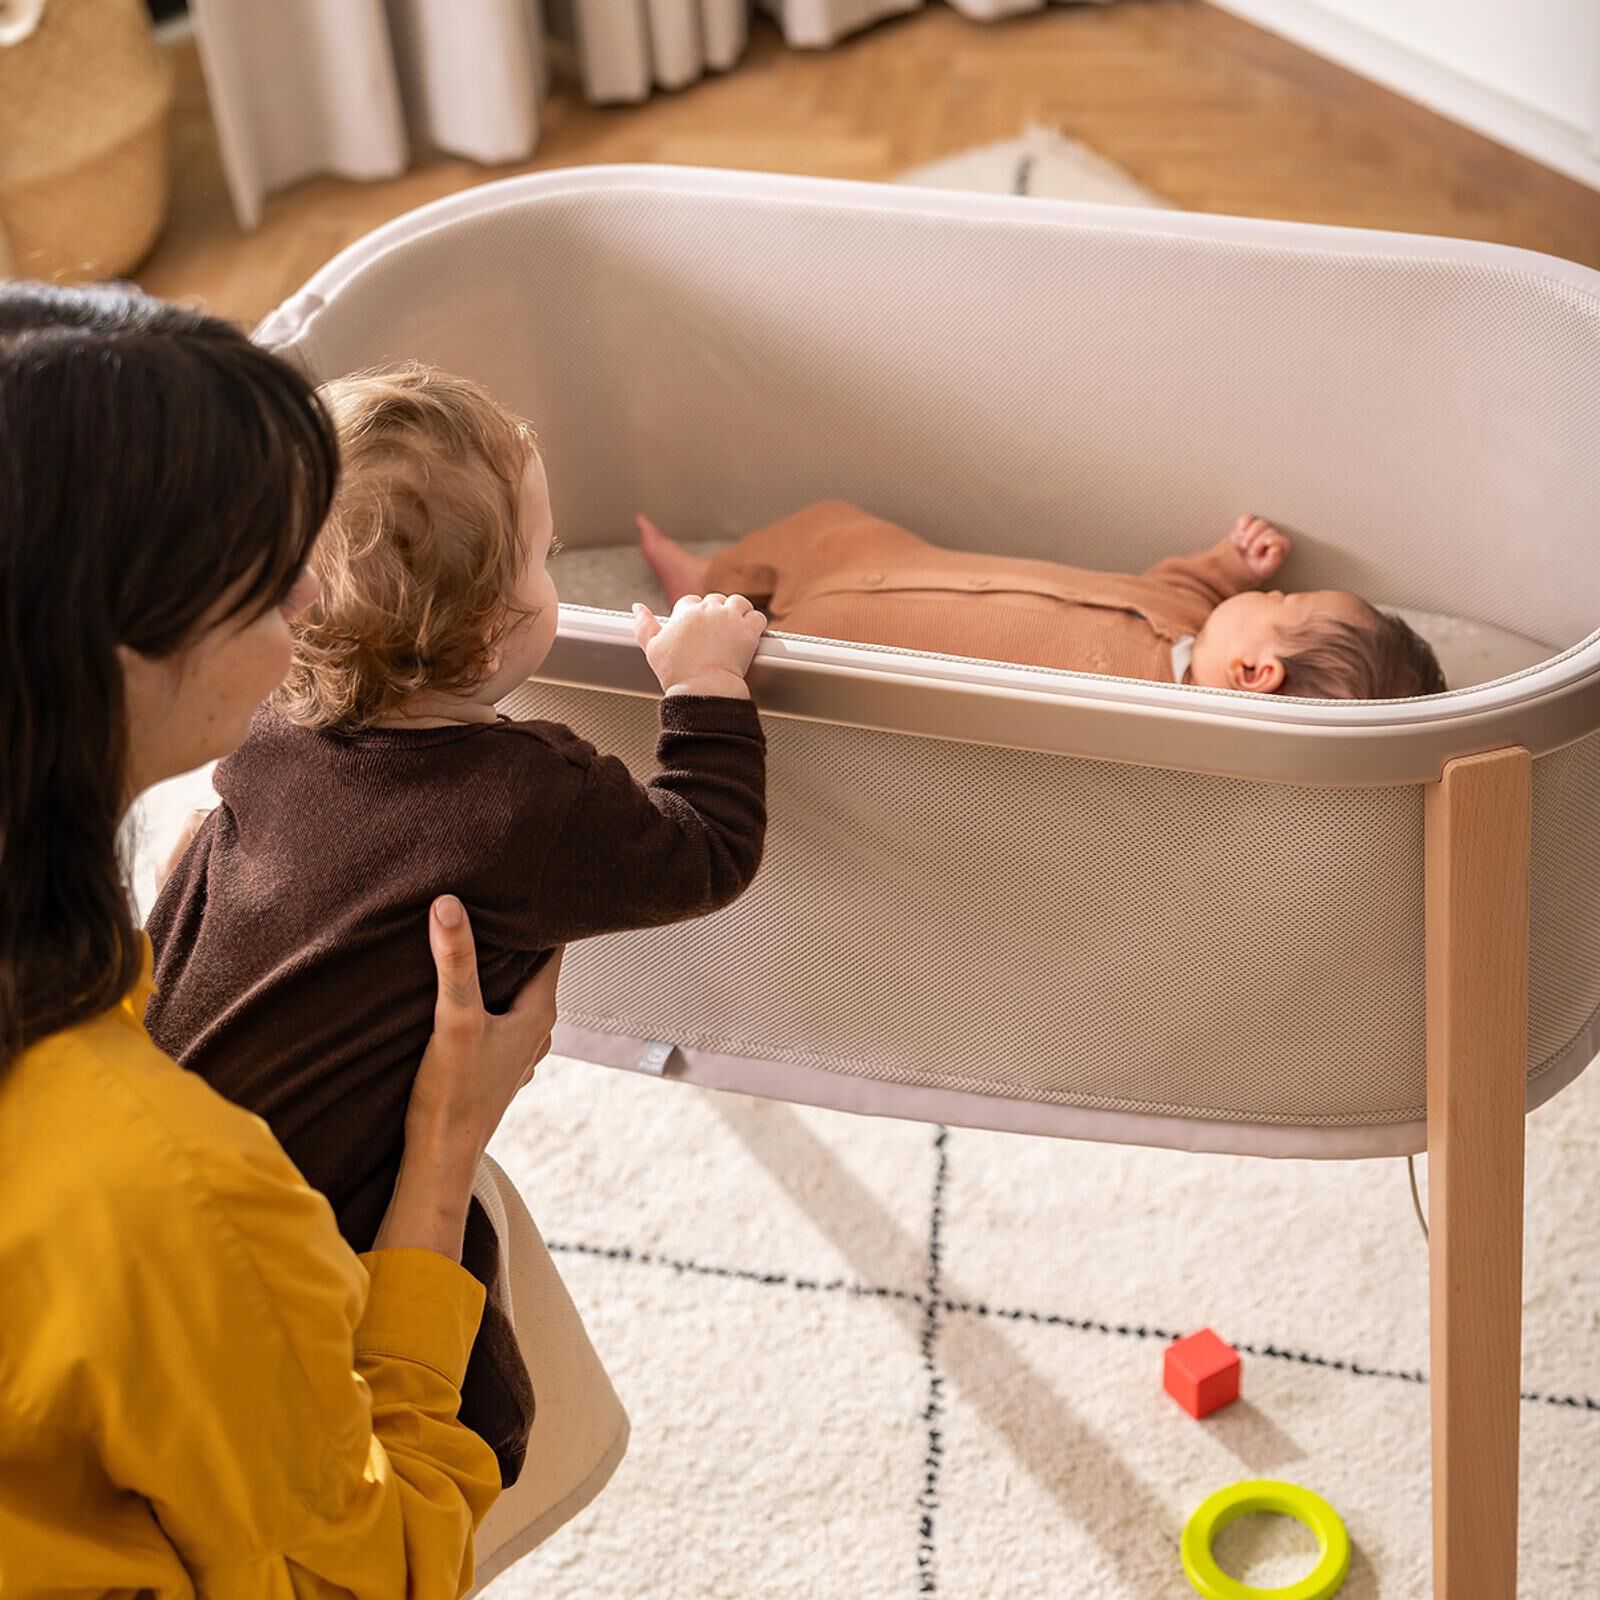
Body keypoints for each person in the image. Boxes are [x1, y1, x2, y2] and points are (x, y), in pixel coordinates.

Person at [0, 283, 562, 1594]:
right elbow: (377, 1569)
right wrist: (444, 1149)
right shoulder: (180, 1198)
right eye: (262, 572)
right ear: (112, 651)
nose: (312, 594)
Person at [143, 364, 769, 1487]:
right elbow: (708, 848)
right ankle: (476, 1449)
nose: (550, 573)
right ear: (486, 638)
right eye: (541, 559)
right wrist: (706, 683)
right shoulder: (530, 803)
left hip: (160, 1161)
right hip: (314, 1240)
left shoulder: (263, 723)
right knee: (457, 1377)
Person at [637, 501, 1447, 699]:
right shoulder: (1193, 620)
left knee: (770, 652)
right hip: (901, 564)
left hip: (863, 638)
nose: (1271, 588)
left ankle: (707, 631)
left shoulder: (1153, 715)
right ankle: (709, 574)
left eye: (1281, 600)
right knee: (829, 525)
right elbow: (1183, 584)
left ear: (1255, 671)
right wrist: (1230, 566)